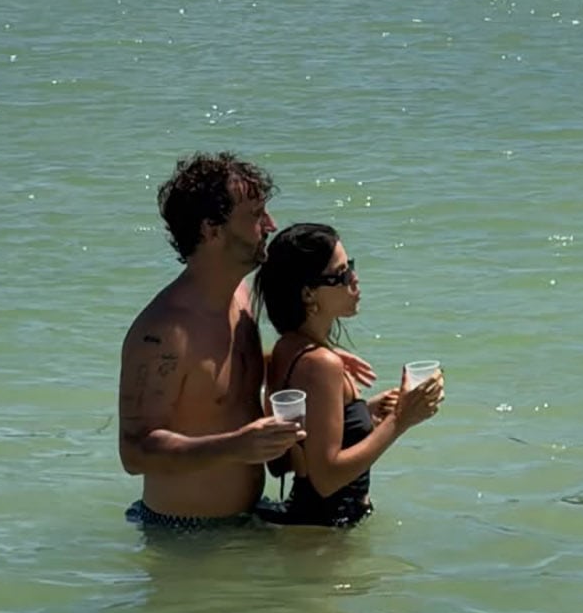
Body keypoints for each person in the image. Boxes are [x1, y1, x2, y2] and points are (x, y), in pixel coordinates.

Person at [117, 153, 373, 534]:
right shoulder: (161, 333)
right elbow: (135, 451)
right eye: (255, 215)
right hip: (185, 533)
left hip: (247, 521)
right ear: (211, 230)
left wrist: (315, 362)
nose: (269, 224)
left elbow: (219, 376)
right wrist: (234, 446)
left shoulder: (239, 297)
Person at [256, 223, 443, 528]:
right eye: (341, 275)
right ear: (308, 294)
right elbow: (327, 478)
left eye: (351, 267)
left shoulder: (286, 348)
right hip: (328, 529)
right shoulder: (320, 364)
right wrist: (401, 420)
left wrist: (364, 416)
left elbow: (283, 461)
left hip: (305, 519)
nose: (354, 279)